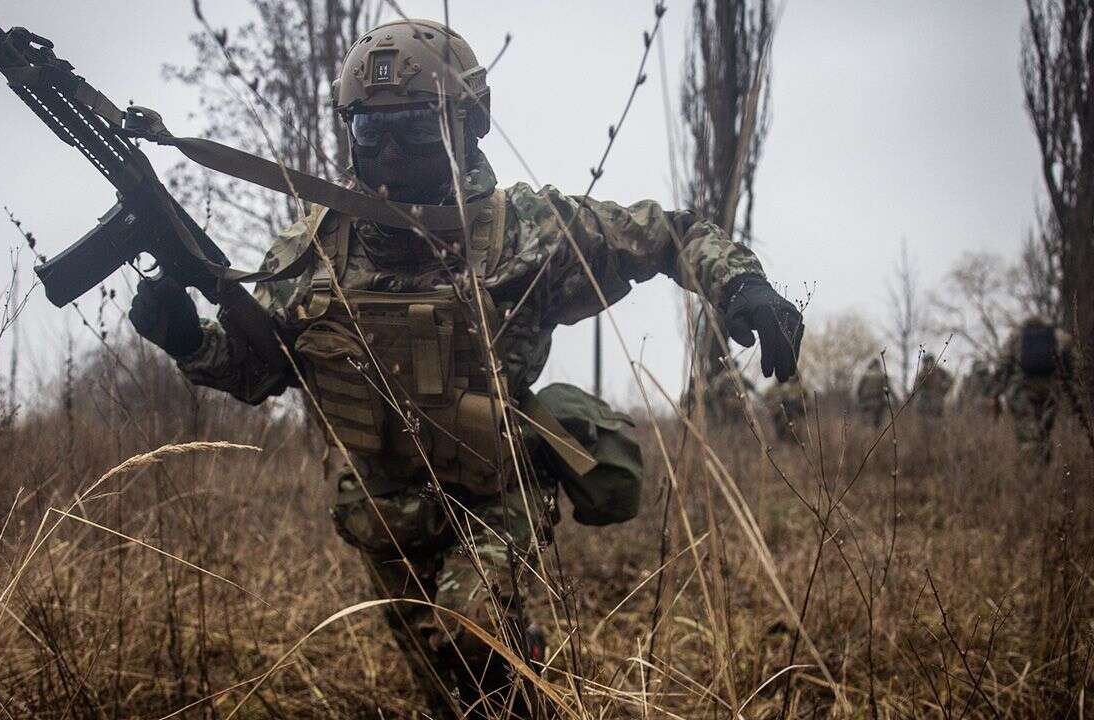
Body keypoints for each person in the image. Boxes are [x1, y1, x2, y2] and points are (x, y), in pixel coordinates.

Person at [128, 19, 804, 718]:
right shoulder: (315, 249)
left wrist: (740, 284)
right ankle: (518, 675)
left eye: (415, 131)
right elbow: (258, 372)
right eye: (369, 132)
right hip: (385, 508)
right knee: (451, 690)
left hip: (496, 488)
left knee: (470, 627)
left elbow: (669, 233)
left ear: (467, 123)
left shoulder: (524, 231)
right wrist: (185, 339)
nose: (389, 153)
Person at [997, 316, 1074, 462]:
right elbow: (1071, 361)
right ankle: (1045, 466)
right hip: (1050, 389)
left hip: (1023, 388)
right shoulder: (1058, 335)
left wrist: (1002, 389)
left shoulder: (1016, 335)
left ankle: (1032, 474)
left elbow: (1004, 363)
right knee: (1044, 431)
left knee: (1028, 433)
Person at [765, 375, 807, 442]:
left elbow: (805, 405)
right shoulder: (775, 390)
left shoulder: (799, 389)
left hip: (795, 418)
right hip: (779, 418)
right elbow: (768, 402)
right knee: (781, 435)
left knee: (796, 435)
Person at [856, 358, 891, 428]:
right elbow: (887, 389)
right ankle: (876, 436)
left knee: (866, 423)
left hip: (866, 402)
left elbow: (859, 389)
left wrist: (860, 399)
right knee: (877, 424)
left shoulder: (866, 375)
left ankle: (866, 437)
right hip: (879, 402)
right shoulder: (882, 375)